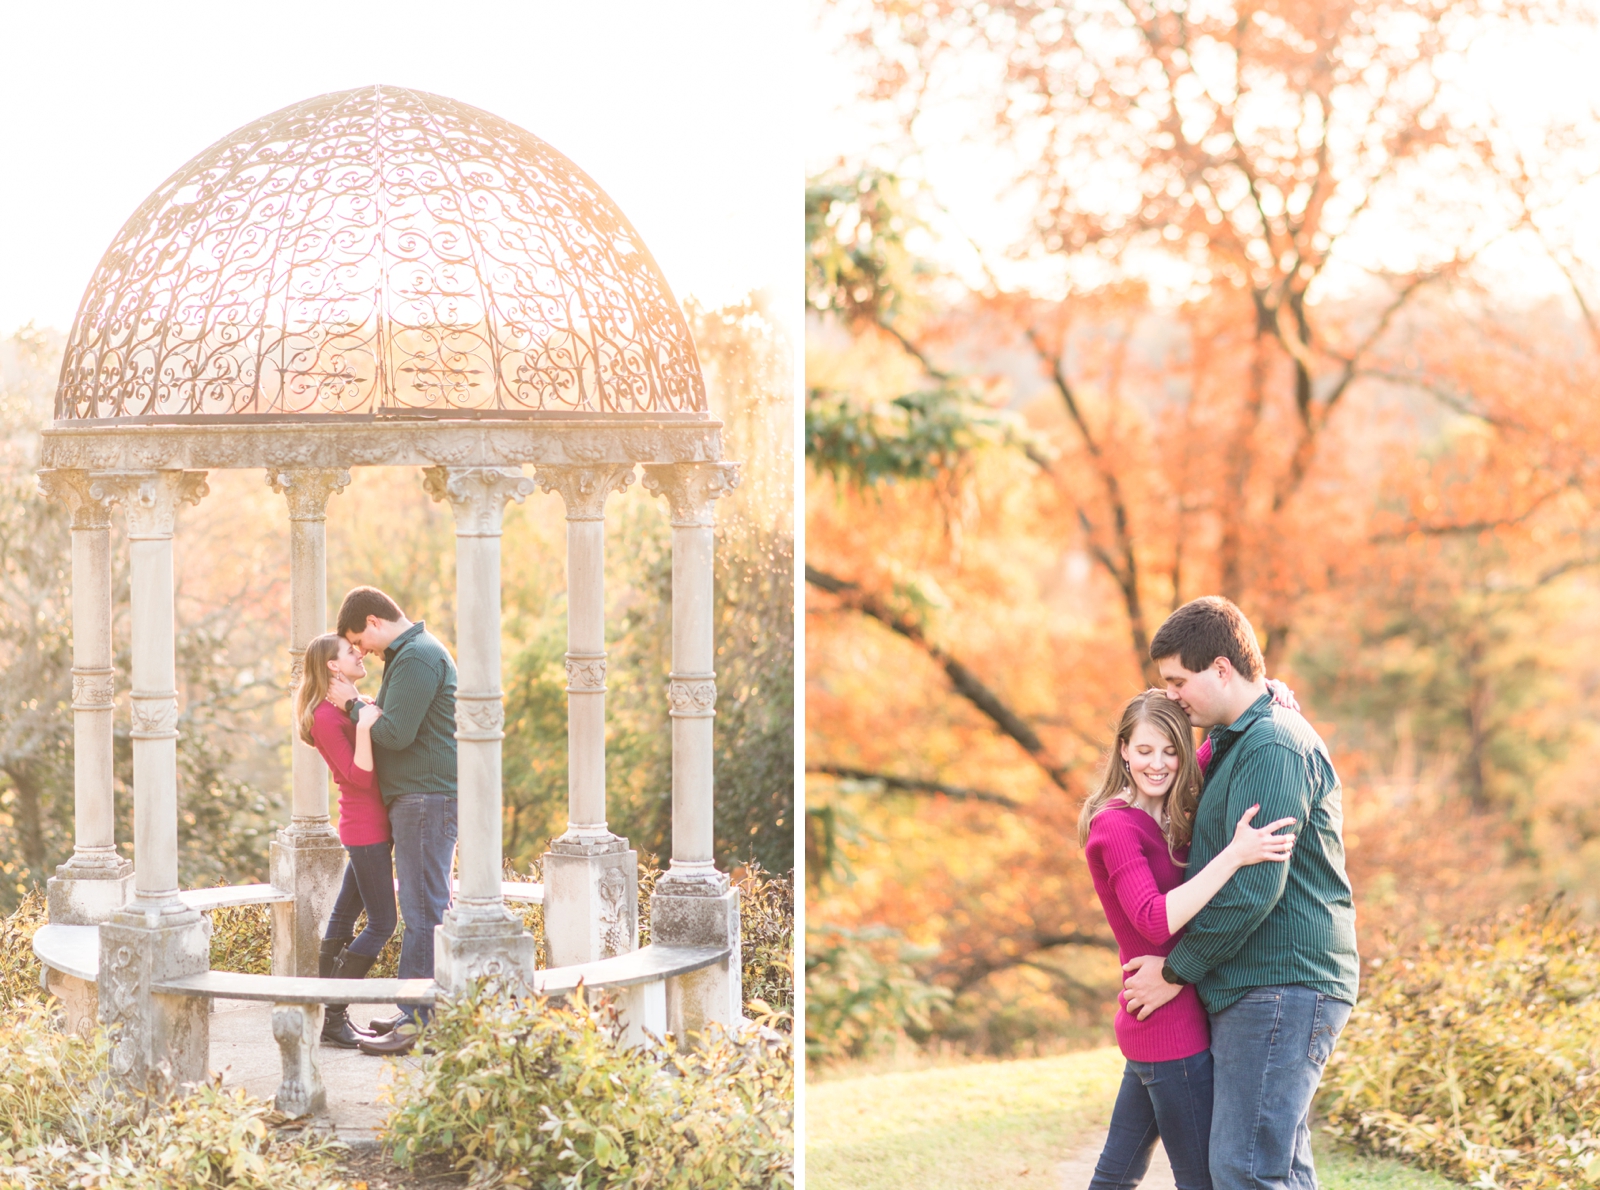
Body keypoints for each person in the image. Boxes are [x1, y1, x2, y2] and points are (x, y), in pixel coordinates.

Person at [1122, 596, 1360, 1190]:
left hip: (1283, 984)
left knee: (1244, 1169)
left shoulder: (1273, 746)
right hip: (1261, 985)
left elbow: (1255, 888)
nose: (1172, 695)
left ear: (1221, 669)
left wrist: (1174, 972)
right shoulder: (1236, 738)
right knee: (1277, 1166)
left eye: (1179, 680)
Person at [1082, 689, 1297, 1190]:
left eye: (1170, 751)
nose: (1158, 764)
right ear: (1123, 751)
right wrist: (1237, 854)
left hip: (1155, 1020)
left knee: (1115, 1176)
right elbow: (1155, 921)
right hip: (1169, 1028)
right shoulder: (1114, 826)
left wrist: (1267, 691)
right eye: (1144, 751)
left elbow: (1217, 735)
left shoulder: (1169, 806)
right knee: (1201, 1181)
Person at [328, 586, 459, 1057]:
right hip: (417, 799)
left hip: (426, 799)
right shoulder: (405, 658)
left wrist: (351, 704)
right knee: (422, 908)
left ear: (374, 622)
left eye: (358, 640)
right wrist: (367, 709)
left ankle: (421, 1022)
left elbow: (396, 734)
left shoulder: (419, 658)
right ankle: (414, 1011)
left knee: (424, 909)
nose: (360, 651)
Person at [293, 633, 396, 1048]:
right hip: (365, 828)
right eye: (349, 651)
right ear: (332, 666)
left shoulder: (343, 707)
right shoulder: (323, 717)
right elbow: (358, 777)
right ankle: (334, 1014)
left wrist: (361, 708)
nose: (359, 653)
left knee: (343, 919)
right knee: (383, 923)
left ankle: (329, 1018)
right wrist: (366, 727)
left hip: (372, 826)